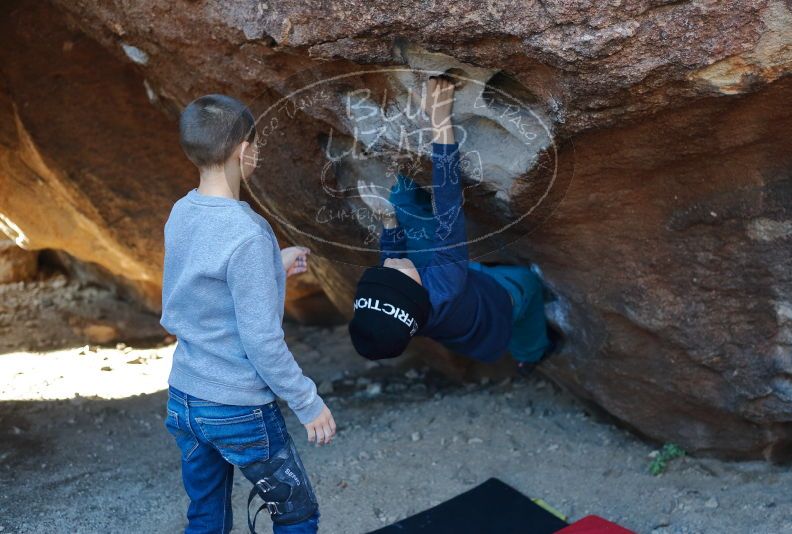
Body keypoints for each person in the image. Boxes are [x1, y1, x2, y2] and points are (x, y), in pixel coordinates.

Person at [161, 94, 335, 534]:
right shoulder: (249, 234)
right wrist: (307, 402)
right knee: (297, 515)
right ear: (245, 150)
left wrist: (273, 267)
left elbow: (200, 291)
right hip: (237, 407)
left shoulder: (181, 212)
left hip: (185, 398)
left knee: (206, 514)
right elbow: (260, 340)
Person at [349, 77, 556, 373]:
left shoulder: (409, 309)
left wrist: (388, 221)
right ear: (416, 299)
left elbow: (393, 265)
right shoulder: (444, 286)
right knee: (528, 284)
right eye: (395, 274)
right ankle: (532, 353)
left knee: (403, 201)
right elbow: (448, 209)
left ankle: (408, 202)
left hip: (460, 293)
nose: (391, 263)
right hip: (499, 302)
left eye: (383, 272)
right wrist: (440, 124)